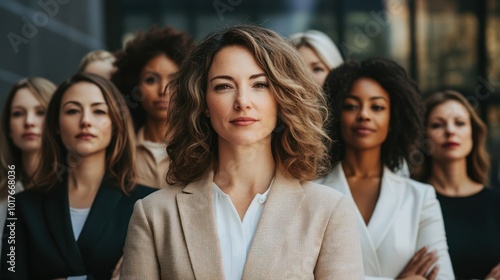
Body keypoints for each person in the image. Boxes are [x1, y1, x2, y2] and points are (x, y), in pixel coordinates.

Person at [120, 24, 364, 279]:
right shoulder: (154, 214)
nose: (242, 101)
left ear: (281, 97)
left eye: (259, 84)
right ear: (202, 102)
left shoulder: (329, 210)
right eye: (224, 86)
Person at [0, 73, 156, 279]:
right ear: (55, 124)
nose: (86, 121)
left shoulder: (148, 203)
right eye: (73, 111)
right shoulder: (22, 205)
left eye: (99, 111)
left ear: (116, 123)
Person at [316, 58, 454, 279]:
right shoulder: (311, 193)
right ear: (335, 115)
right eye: (351, 106)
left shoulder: (420, 198)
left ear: (393, 119)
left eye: (377, 107)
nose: (364, 115)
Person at [413, 90, 500, 279]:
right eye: (437, 125)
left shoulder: (495, 204)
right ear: (423, 139)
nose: (450, 131)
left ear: (473, 134)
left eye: (459, 123)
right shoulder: (412, 202)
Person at [112, 26, 194, 189]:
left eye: (174, 81)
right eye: (151, 80)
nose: (163, 90)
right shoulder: (119, 151)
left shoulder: (202, 148)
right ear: (133, 85)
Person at [0, 77, 56, 259]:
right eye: (17, 113)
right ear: (8, 127)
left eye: (40, 112)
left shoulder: (74, 187)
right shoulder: (6, 188)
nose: (29, 122)